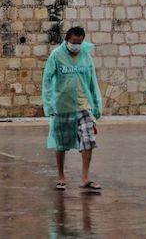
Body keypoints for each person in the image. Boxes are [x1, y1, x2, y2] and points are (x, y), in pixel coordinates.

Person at [42, 26, 103, 192]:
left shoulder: (86, 56)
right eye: (74, 42)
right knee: (61, 143)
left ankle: (85, 178)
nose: (76, 45)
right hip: (62, 105)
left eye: (79, 42)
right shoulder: (56, 56)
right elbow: (47, 80)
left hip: (83, 105)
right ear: (67, 40)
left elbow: (92, 82)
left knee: (88, 139)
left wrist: (97, 106)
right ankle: (61, 176)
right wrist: (49, 105)